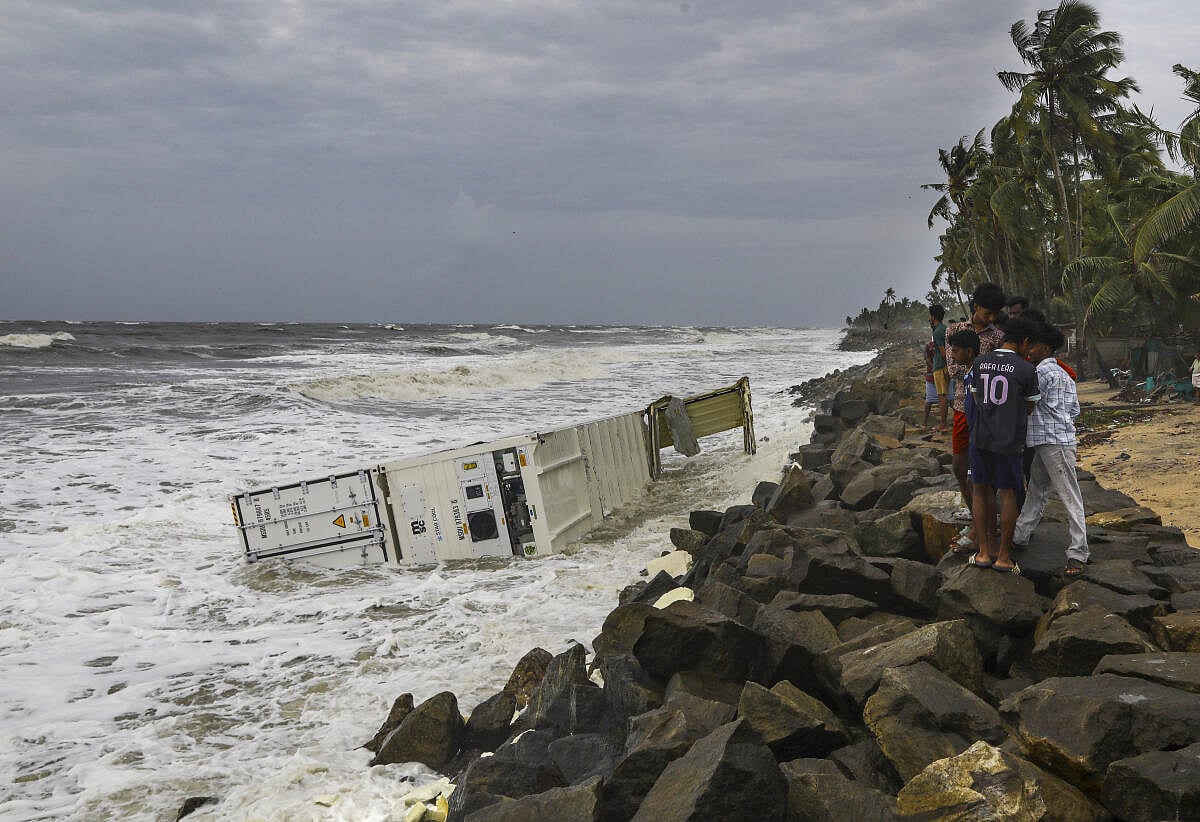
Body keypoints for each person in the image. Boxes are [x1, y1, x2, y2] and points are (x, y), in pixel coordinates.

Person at [964, 315, 1041, 574]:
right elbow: (1029, 407)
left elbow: (975, 398)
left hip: (980, 438)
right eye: (1029, 346)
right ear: (1025, 341)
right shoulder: (1026, 370)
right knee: (1008, 493)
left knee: (980, 490)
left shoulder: (980, 362)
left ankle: (984, 552)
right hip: (1008, 440)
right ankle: (1004, 557)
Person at [1013, 322, 1088, 576]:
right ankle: (1020, 534)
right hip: (1056, 440)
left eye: (1031, 345)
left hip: (1051, 442)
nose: (1028, 350)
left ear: (1043, 347)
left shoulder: (1040, 374)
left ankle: (1079, 551)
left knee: (1067, 495)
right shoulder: (1065, 375)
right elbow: (1075, 410)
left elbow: (1028, 403)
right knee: (1037, 490)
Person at [945, 283, 1006, 532]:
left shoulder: (997, 337)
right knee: (959, 465)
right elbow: (953, 369)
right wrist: (981, 367)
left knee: (985, 467)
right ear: (976, 306)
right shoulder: (955, 330)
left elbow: (1001, 370)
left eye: (994, 314)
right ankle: (973, 511)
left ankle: (986, 516)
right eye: (987, 312)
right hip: (962, 406)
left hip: (990, 411)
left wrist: (974, 367)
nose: (990, 318)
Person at [945, 327, 980, 555]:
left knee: (976, 478)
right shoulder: (969, 372)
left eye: (956, 352)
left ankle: (979, 529)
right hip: (963, 416)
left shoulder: (977, 373)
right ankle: (977, 520)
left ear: (969, 351)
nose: (953, 357)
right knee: (962, 471)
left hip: (976, 426)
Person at [929, 305, 949, 432]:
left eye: (930, 315)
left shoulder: (937, 332)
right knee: (945, 395)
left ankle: (943, 424)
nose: (929, 318)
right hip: (944, 366)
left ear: (934, 316)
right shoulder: (944, 328)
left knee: (942, 396)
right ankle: (944, 422)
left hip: (940, 366)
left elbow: (943, 352)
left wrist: (947, 365)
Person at [923, 340, 939, 429]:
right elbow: (928, 360)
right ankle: (925, 423)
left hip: (933, 374)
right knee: (949, 399)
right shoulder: (929, 346)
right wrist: (937, 369)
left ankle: (925, 423)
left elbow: (927, 360)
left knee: (929, 400)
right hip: (933, 375)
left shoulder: (929, 346)